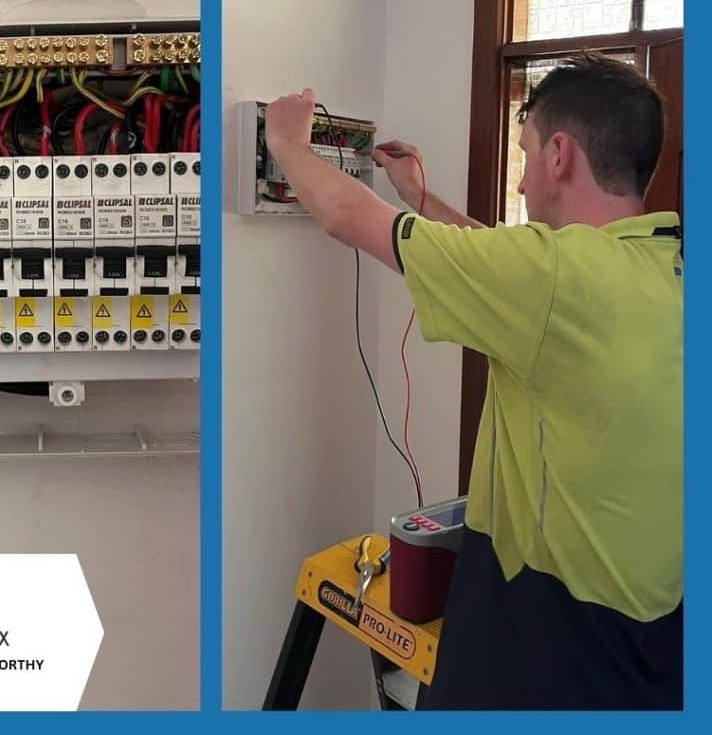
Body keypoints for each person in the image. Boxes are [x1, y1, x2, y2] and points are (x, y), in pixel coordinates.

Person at [263, 55, 682, 709]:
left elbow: (347, 216)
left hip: (552, 635)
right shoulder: (662, 260)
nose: (521, 179)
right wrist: (419, 199)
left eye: (527, 153)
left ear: (560, 156)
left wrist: (285, 142)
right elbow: (511, 273)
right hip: (657, 634)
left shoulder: (552, 277)